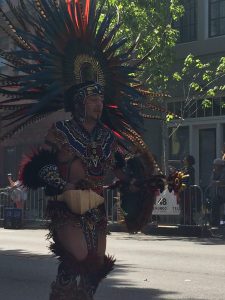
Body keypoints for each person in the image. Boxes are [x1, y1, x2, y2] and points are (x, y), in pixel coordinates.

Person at [0, 1, 184, 299]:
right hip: (68, 208)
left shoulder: (108, 138)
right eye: (93, 99)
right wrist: (64, 184)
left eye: (100, 99)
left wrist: (145, 182)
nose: (99, 104)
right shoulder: (61, 131)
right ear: (79, 103)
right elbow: (40, 167)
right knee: (78, 256)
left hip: (95, 210)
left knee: (95, 267)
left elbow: (119, 171)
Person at [179, 155, 196, 225]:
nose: (183, 160)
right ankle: (184, 219)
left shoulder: (191, 169)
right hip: (182, 189)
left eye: (185, 159)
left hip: (187, 189)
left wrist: (187, 186)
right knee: (183, 205)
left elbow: (190, 179)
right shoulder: (184, 168)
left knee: (188, 205)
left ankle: (189, 220)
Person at [209, 158, 225, 227]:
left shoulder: (223, 172)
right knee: (214, 206)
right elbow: (211, 181)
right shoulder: (214, 172)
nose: (214, 166)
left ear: (220, 166)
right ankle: (215, 222)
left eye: (215, 165)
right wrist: (216, 182)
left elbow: (222, 181)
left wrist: (216, 182)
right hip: (217, 194)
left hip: (222, 193)